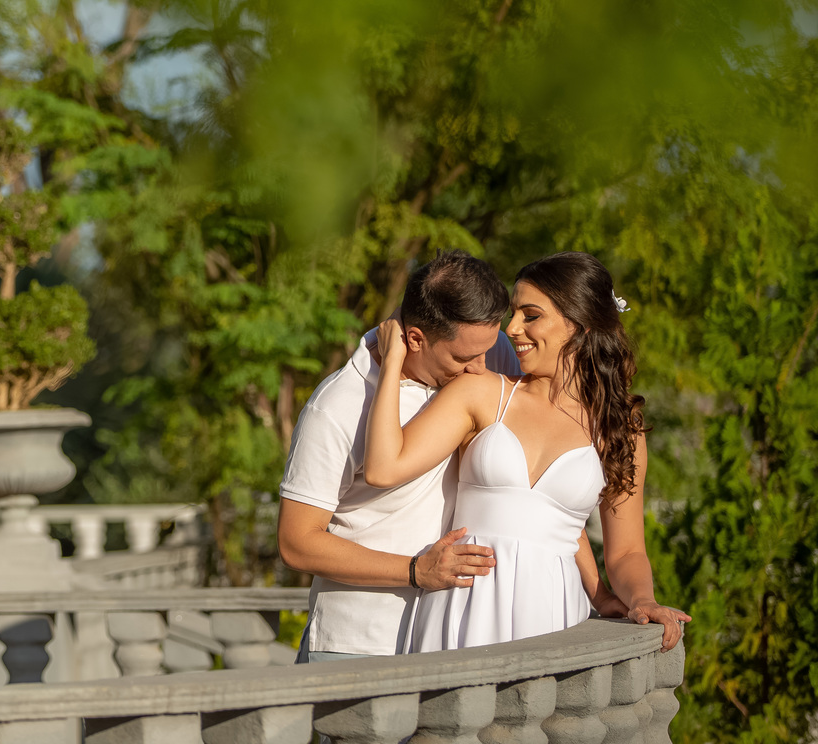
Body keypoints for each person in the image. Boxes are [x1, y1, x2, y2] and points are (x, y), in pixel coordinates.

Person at [279, 250, 626, 662]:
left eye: (491, 348)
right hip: (360, 641)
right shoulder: (338, 406)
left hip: (451, 631)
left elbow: (541, 500)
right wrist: (414, 570)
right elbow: (296, 543)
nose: (483, 367)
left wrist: (601, 592)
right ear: (414, 340)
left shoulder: (482, 355)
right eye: (465, 358)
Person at [364, 251, 690, 653]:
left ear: (581, 324)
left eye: (530, 315)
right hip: (462, 604)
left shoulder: (619, 427)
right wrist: (393, 361)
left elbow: (625, 551)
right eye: (513, 313)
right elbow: (382, 468)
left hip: (554, 612)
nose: (512, 328)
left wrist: (640, 600)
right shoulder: (481, 392)